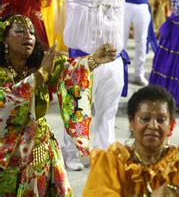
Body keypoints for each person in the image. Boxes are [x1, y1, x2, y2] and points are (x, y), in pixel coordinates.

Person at [0, 14, 115, 195]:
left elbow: (70, 70)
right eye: (19, 32)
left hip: (40, 148)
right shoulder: (5, 72)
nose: (28, 36)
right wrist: (41, 76)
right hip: (7, 153)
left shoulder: (40, 63)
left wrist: (93, 60)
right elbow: (7, 99)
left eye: (31, 32)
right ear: (4, 39)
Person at [62, 0, 150, 170]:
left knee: (107, 110)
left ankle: (102, 151)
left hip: (113, 60)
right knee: (77, 109)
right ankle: (71, 153)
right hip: (84, 61)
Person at [83, 86, 179, 195]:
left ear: (171, 125)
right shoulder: (112, 162)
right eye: (145, 119)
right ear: (131, 123)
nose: (153, 126)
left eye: (161, 120)